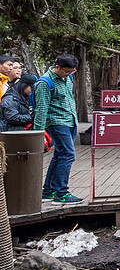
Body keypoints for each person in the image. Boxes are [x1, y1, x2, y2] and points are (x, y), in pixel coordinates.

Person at [34, 54, 82, 204]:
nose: (69, 74)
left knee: (60, 155)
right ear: (58, 67)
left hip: (70, 121)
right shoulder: (45, 83)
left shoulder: (68, 79)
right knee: (68, 154)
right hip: (56, 122)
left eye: (72, 72)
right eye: (67, 71)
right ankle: (61, 193)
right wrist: (38, 132)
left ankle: (48, 191)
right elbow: (41, 108)